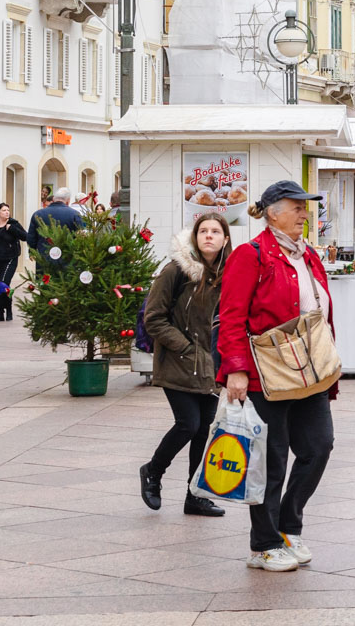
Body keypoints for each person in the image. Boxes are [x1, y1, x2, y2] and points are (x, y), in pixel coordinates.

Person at [219, 181, 336, 573]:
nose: (304, 214)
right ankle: (265, 544)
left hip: (309, 370)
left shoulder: (308, 256)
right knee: (271, 460)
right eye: (296, 207)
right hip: (266, 372)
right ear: (272, 212)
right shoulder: (250, 256)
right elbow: (232, 317)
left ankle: (288, 526)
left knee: (319, 447)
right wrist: (235, 368)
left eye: (306, 207)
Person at [140, 213, 230, 518]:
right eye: (203, 231)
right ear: (195, 237)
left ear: (225, 240)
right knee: (188, 424)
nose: (208, 236)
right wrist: (186, 348)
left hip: (210, 364)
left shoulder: (227, 274)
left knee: (203, 430)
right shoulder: (176, 270)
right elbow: (153, 318)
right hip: (178, 361)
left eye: (215, 231)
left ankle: (196, 496)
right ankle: (153, 472)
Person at [28, 186, 84, 257]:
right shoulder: (75, 215)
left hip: (44, 256)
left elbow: (32, 236)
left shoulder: (38, 214)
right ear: (68, 201)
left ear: (54, 199)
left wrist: (32, 252)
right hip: (68, 258)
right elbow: (80, 236)